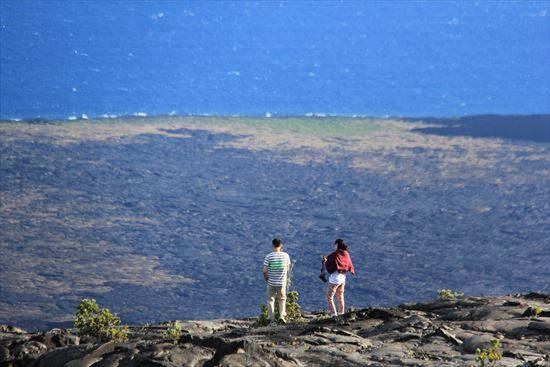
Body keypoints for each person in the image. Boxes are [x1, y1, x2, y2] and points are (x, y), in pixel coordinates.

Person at [322, 239, 355, 317]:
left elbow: (329, 261)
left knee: (329, 297)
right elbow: (346, 263)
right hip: (343, 278)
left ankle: (334, 315)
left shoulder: (336, 254)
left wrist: (325, 261)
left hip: (335, 279)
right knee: (340, 296)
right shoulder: (346, 253)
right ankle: (341, 313)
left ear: (337, 245)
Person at [263, 238, 291, 324]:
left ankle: (272, 319)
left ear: (272, 245)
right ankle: (282, 316)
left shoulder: (269, 256)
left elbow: (264, 270)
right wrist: (287, 279)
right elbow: (288, 269)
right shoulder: (286, 256)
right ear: (281, 245)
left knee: (270, 300)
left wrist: (267, 279)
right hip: (282, 283)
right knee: (282, 299)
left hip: (271, 282)